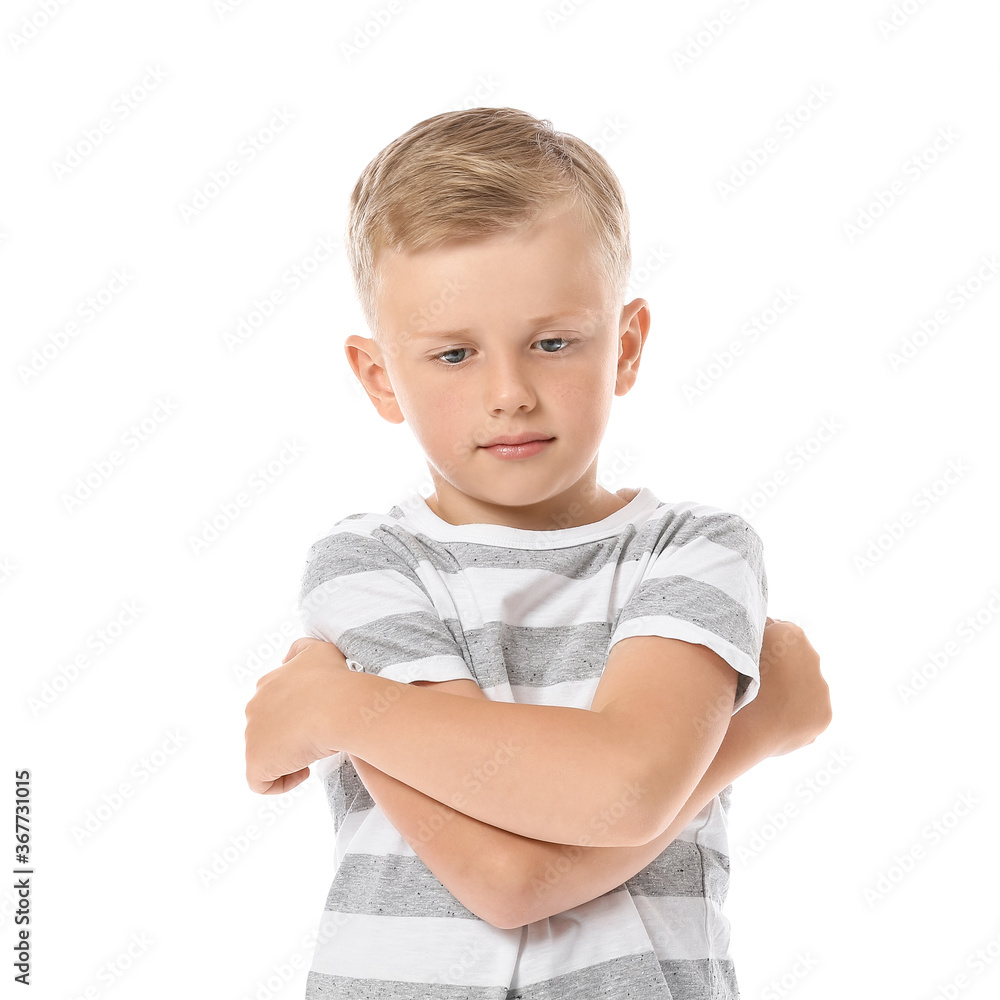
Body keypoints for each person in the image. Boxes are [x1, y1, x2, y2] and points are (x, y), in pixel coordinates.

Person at [244, 106, 832, 1000]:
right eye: (454, 355)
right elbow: (504, 878)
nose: (510, 393)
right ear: (379, 378)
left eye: (553, 343)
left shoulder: (694, 553)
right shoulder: (368, 566)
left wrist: (341, 707)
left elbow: (627, 786)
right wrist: (755, 727)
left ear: (625, 346)